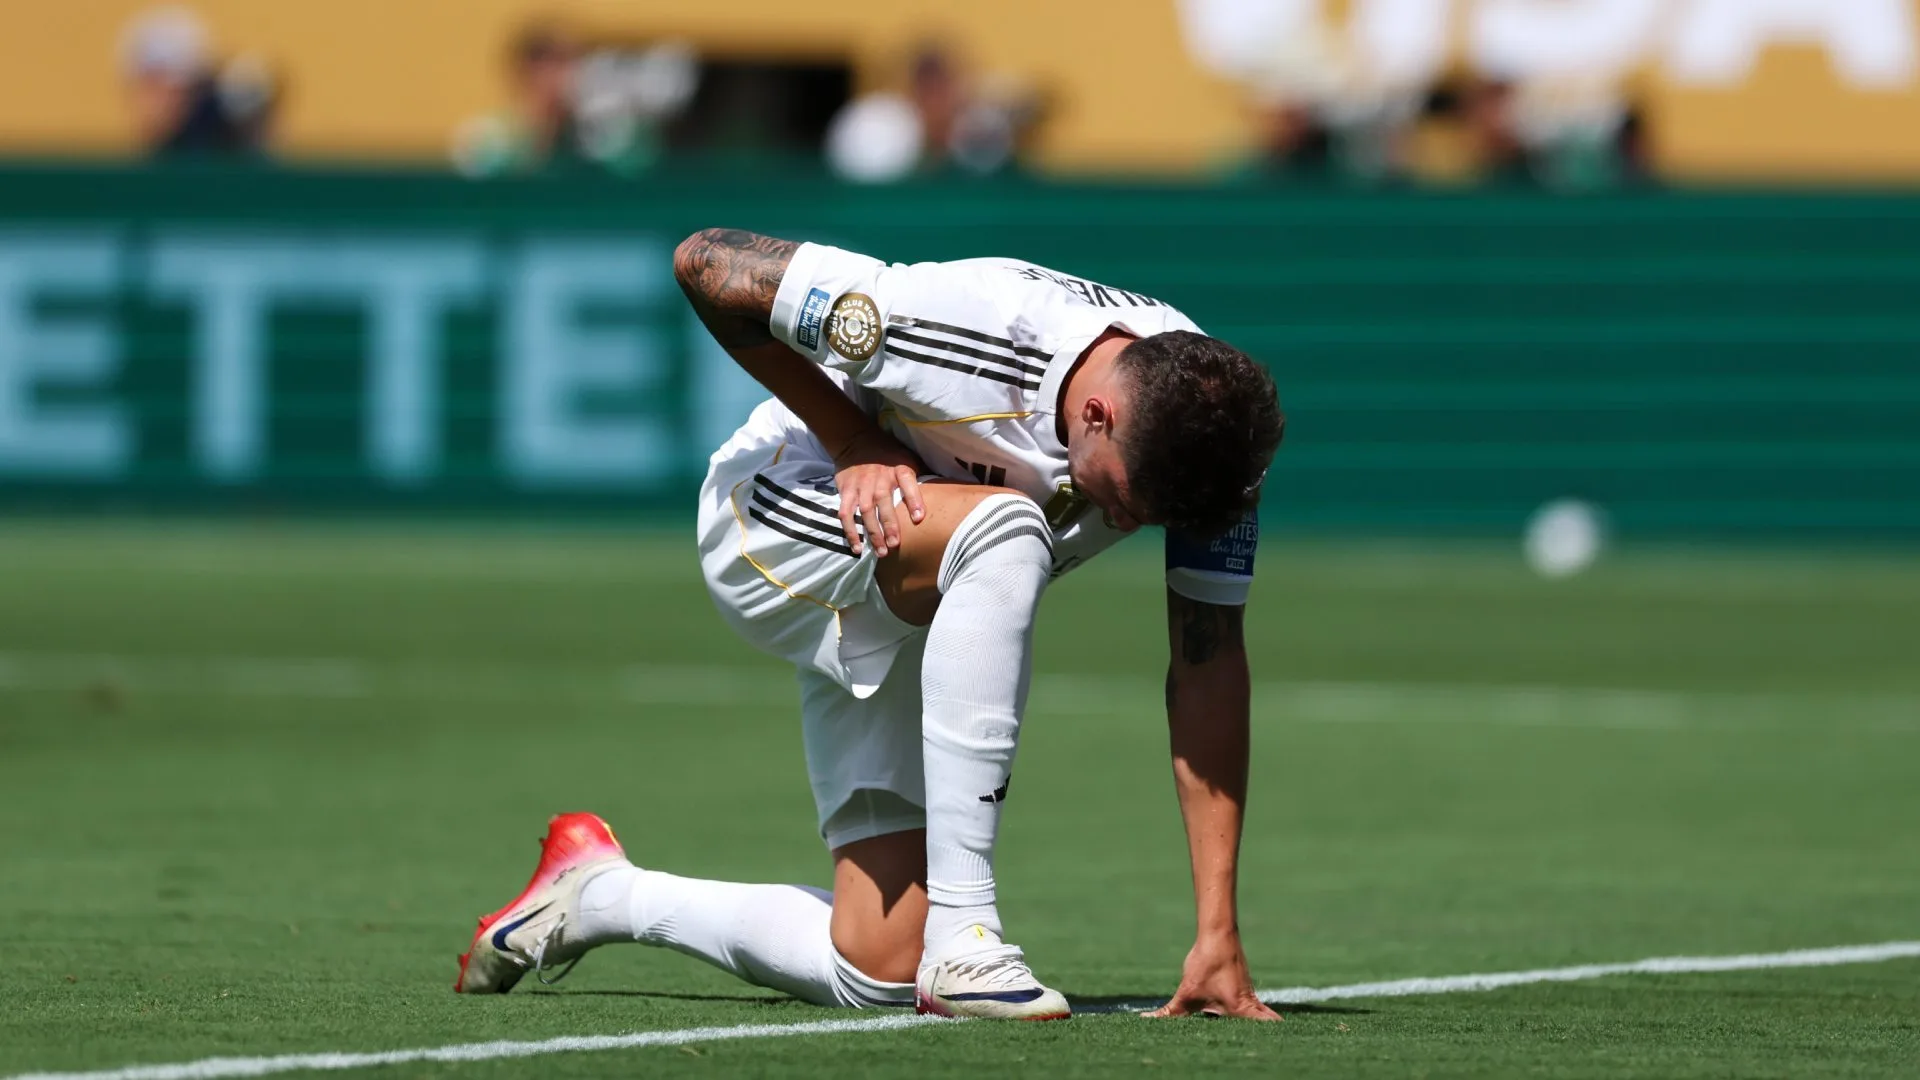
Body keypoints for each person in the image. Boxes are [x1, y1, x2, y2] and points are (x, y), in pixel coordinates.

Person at [454, 230, 1286, 1021]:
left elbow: (1207, 662)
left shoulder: (1206, 437)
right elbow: (705, 262)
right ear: (1098, 415)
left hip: (923, 590)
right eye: (1129, 502)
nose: (1130, 525)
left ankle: (599, 894)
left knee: (879, 966)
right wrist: (851, 437)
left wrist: (1218, 932)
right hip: (779, 516)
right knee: (1007, 532)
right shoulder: (955, 325)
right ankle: (968, 942)